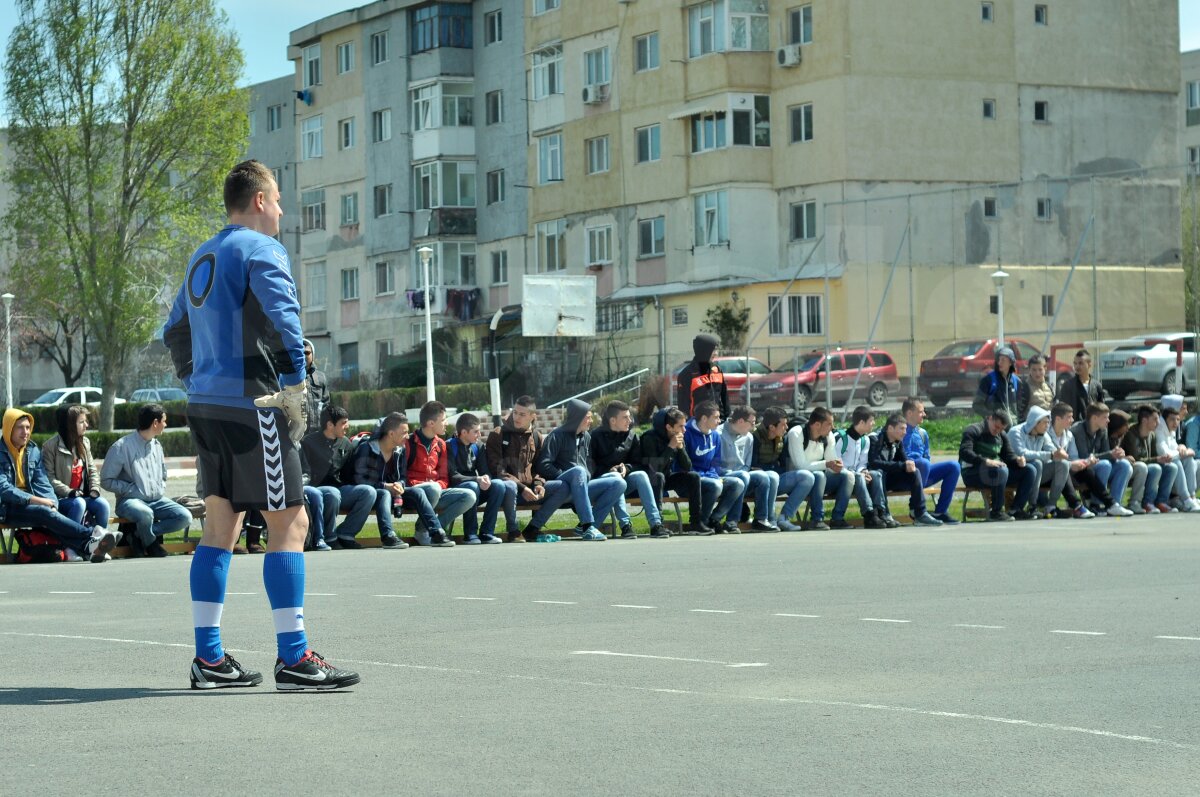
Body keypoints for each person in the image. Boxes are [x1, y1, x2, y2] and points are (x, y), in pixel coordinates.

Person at [162, 159, 358, 690]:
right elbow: (287, 319)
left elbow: (173, 330)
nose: (281, 211)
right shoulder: (262, 249)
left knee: (219, 526)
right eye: (277, 200)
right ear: (260, 201)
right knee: (290, 524)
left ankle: (210, 659)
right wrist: (298, 382)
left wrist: (195, 378)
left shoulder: (202, 254)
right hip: (255, 404)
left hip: (205, 405)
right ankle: (294, 658)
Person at [0, 409, 121, 563]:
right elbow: (4, 489)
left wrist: (53, 503)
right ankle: (92, 535)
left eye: (28, 427)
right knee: (44, 513)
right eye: (20, 427)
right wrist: (37, 501)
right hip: (7, 507)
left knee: (50, 513)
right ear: (8, 428)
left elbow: (43, 482)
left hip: (32, 505)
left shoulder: (31, 450)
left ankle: (88, 547)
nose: (25, 432)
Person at [99, 404, 193, 557]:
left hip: (157, 500)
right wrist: (130, 490)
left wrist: (160, 488)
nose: (166, 425)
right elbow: (106, 480)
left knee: (185, 517)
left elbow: (163, 473)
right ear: (155, 423)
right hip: (130, 502)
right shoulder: (121, 447)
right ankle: (150, 544)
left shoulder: (157, 446)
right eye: (164, 421)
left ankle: (139, 535)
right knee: (146, 513)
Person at [484, 395, 574, 542]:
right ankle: (513, 531)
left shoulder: (537, 437)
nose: (517, 417)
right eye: (515, 412)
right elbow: (497, 470)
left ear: (533, 416)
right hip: (506, 492)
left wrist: (538, 484)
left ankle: (532, 528)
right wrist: (522, 488)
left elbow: (539, 468)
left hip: (529, 491)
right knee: (510, 485)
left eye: (522, 414)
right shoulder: (498, 434)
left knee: (562, 486)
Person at [535, 399, 626, 541]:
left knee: (618, 482)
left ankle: (589, 527)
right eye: (588, 417)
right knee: (578, 471)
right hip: (562, 487)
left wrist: (609, 470)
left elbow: (588, 465)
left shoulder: (586, 437)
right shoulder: (556, 435)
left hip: (581, 487)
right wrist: (567, 476)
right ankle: (587, 526)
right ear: (577, 417)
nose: (591, 421)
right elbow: (543, 465)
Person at [346, 411, 436, 547]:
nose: (408, 436)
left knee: (419, 492)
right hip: (371, 495)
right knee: (384, 493)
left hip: (394, 494)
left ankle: (437, 532)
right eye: (404, 432)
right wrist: (385, 486)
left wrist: (399, 484)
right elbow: (359, 480)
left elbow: (403, 477)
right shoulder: (366, 448)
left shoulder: (400, 450)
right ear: (391, 434)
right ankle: (388, 536)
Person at [300, 405, 381, 550]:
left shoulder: (346, 444)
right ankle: (330, 537)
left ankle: (346, 534)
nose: (347, 426)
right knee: (332, 493)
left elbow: (349, 475)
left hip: (339, 490)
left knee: (368, 492)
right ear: (330, 425)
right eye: (343, 423)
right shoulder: (308, 443)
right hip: (316, 490)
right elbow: (304, 473)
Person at [590, 400, 671, 539]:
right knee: (616, 479)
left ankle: (656, 524)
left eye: (630, 416)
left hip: (625, 480)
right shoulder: (595, 436)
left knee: (641, 475)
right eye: (625, 417)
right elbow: (590, 466)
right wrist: (610, 471)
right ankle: (626, 526)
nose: (630, 420)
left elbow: (639, 463)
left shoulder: (632, 436)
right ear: (613, 420)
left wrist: (626, 468)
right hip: (603, 484)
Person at [405, 401, 477, 547]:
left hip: (436, 492)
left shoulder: (441, 444)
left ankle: (430, 529)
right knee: (433, 489)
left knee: (469, 496)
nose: (446, 423)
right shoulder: (408, 443)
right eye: (443, 420)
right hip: (413, 494)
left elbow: (444, 477)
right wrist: (427, 486)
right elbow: (402, 475)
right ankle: (427, 531)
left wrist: (437, 485)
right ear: (431, 423)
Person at [640, 406, 714, 535]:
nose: (684, 430)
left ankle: (696, 523)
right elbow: (654, 468)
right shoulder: (649, 438)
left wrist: (680, 449)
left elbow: (687, 467)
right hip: (649, 480)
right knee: (658, 476)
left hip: (666, 477)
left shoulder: (678, 437)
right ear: (669, 427)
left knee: (693, 476)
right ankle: (658, 524)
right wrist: (670, 447)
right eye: (681, 426)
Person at [751, 406, 824, 531]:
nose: (787, 428)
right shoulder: (754, 437)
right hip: (759, 484)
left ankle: (784, 518)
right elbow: (753, 466)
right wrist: (773, 468)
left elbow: (784, 466)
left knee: (807, 477)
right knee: (772, 477)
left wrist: (773, 468)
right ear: (772, 427)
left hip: (777, 478)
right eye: (783, 425)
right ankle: (769, 519)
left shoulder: (782, 439)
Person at [958, 408, 1039, 521]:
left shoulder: (1001, 435)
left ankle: (1016, 509)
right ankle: (996, 512)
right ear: (990, 418)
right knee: (1001, 470)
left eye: (1001, 429)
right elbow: (964, 452)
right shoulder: (974, 430)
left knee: (1030, 470)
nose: (998, 431)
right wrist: (985, 461)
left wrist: (1017, 460)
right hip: (973, 472)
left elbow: (1009, 456)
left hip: (996, 473)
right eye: (996, 427)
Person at [448, 412, 517, 544]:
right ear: (463, 432)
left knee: (498, 485)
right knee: (473, 486)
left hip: (475, 487)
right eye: (476, 432)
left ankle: (487, 532)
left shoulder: (478, 446)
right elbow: (453, 476)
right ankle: (470, 533)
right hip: (458, 491)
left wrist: (485, 478)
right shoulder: (450, 446)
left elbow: (485, 471)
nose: (479, 435)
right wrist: (476, 480)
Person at [42, 404, 110, 530]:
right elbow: (49, 479)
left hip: (82, 497)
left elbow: (93, 470)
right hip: (61, 499)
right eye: (81, 422)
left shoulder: (85, 443)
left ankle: (98, 544)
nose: (86, 425)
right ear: (69, 425)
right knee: (78, 503)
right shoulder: (50, 447)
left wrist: (94, 488)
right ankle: (70, 546)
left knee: (103, 504)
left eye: (86, 421)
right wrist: (69, 492)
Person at [784, 407, 852, 530]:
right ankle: (817, 519)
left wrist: (837, 467)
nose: (833, 427)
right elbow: (801, 466)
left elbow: (831, 462)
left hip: (820, 482)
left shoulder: (828, 435)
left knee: (848, 476)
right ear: (816, 425)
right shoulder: (796, 433)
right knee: (819, 475)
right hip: (799, 483)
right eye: (829, 424)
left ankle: (837, 518)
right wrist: (827, 464)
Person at [682, 401, 745, 533]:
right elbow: (683, 465)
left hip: (710, 477)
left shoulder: (715, 435)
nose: (719, 421)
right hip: (690, 480)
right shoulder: (686, 434)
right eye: (715, 417)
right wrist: (709, 477)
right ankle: (700, 523)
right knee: (715, 485)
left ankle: (713, 519)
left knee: (738, 483)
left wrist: (715, 476)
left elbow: (715, 462)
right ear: (704, 418)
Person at [869, 413, 941, 526]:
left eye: (905, 429)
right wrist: (901, 465)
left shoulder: (898, 441)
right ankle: (885, 514)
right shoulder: (875, 438)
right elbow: (873, 463)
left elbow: (904, 461)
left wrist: (909, 465)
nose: (905, 432)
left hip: (889, 479)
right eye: (901, 429)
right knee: (880, 472)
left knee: (914, 472)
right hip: (874, 480)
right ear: (890, 428)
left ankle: (919, 513)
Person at [718, 405, 779, 532]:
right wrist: (737, 473)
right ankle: (731, 521)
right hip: (723, 476)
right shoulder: (718, 434)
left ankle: (762, 519)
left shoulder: (748, 437)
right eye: (751, 423)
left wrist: (743, 472)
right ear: (740, 421)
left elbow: (747, 464)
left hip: (743, 475)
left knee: (766, 476)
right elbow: (715, 464)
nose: (753, 427)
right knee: (742, 476)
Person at [901, 398, 961, 524]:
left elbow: (927, 456)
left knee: (954, 466)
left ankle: (940, 512)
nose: (924, 414)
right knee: (923, 463)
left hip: (923, 473)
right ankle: (916, 509)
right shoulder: (898, 430)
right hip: (904, 476)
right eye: (921, 411)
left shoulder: (923, 433)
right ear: (910, 413)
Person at [1068, 402, 1134, 516]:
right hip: (1081, 469)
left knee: (1124, 465)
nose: (1108, 420)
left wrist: (1117, 454)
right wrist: (1110, 454)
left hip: (1098, 464)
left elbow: (1106, 452)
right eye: (1105, 417)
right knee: (1105, 465)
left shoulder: (1103, 430)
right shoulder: (1078, 430)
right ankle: (1096, 504)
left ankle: (1115, 504)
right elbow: (1084, 457)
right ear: (1094, 418)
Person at [1006, 405, 1069, 518]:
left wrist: (1059, 453)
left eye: (1048, 422)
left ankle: (1051, 506)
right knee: (1037, 463)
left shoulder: (1044, 434)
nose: (1047, 426)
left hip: (1037, 473)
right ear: (1035, 422)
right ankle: (1032, 506)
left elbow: (1052, 449)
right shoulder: (1015, 432)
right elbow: (1022, 453)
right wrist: (1050, 455)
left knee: (1063, 464)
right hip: (1018, 472)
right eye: (1045, 422)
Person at [836, 406, 891, 529]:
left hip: (857, 477)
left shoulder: (865, 440)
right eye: (871, 420)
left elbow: (862, 463)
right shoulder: (842, 438)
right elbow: (836, 464)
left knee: (876, 474)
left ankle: (880, 511)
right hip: (842, 478)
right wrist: (857, 474)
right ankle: (869, 514)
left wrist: (864, 471)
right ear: (861, 422)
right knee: (858, 477)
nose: (874, 423)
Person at [1121, 405, 1176, 514]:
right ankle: (1147, 502)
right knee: (1155, 468)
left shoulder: (1152, 435)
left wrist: (1163, 459)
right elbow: (1136, 459)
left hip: (1148, 465)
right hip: (1133, 468)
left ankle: (1161, 501)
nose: (1158, 423)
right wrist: (1157, 459)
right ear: (1144, 420)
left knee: (1171, 467)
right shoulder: (1131, 434)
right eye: (1155, 419)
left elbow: (1154, 456)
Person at [1046, 403, 1095, 519]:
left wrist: (1085, 462)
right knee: (1063, 466)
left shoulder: (1069, 435)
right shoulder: (1046, 434)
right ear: (1057, 419)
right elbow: (1051, 459)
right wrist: (1070, 464)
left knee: (1087, 471)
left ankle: (1107, 503)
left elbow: (1073, 457)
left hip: (1064, 471)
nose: (1072, 420)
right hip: (1048, 473)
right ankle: (1077, 506)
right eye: (1069, 417)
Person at [1156, 395, 1200, 511]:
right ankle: (1185, 499)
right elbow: (1166, 454)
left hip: (1171, 461)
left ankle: (1191, 496)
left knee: (1189, 460)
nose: (1186, 411)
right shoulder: (1160, 428)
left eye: (1177, 419)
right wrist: (1183, 452)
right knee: (1177, 462)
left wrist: (1183, 449)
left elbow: (1180, 449)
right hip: (1161, 463)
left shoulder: (1172, 428)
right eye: (1182, 408)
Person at [676, 334, 728, 418]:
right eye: (713, 350)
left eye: (716, 350)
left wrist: (725, 417)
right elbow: (683, 405)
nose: (716, 353)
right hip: (697, 424)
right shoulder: (687, 374)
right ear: (704, 350)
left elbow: (724, 397)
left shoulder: (717, 370)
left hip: (718, 422)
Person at [1056, 349, 1110, 421]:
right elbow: (1063, 408)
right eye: (1075, 363)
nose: (1077, 366)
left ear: (1089, 364)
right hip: (1075, 425)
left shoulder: (1096, 385)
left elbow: (1102, 407)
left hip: (1094, 424)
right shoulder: (1068, 385)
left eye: (1080, 363)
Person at [972, 345, 1020, 420]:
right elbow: (977, 405)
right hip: (994, 429)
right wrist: (992, 417)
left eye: (1003, 360)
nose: (999, 363)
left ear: (1011, 362)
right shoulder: (988, 380)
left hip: (1013, 429)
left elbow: (1020, 406)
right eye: (998, 360)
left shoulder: (1016, 381)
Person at [302, 339, 330, 436]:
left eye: (307, 352)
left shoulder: (321, 377)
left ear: (313, 355)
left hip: (318, 432)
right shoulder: (288, 377)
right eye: (300, 353)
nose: (303, 355)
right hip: (296, 434)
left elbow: (326, 405)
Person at [1017, 354, 1056, 422]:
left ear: (1045, 368)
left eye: (1040, 369)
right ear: (1029, 369)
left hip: (1048, 426)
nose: (1037, 373)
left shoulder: (1049, 387)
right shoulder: (1024, 387)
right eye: (1034, 370)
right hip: (1031, 428)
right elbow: (1020, 412)